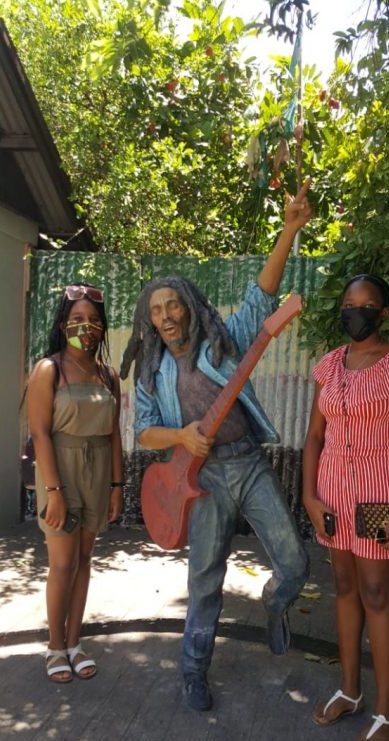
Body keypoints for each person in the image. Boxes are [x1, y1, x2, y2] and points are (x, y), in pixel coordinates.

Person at [121, 184, 313, 711]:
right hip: (200, 479)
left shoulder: (221, 343)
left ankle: (277, 606)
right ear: (150, 319)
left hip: (247, 463)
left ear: (188, 306)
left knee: (295, 564)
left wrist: (288, 230)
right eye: (156, 309)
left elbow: (261, 299)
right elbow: (143, 431)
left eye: (173, 304)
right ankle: (192, 670)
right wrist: (181, 436)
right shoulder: (152, 370)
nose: (165, 315)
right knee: (205, 580)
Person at [303, 274, 389, 741]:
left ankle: (385, 712)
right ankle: (349, 690)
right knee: (345, 588)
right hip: (333, 495)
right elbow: (315, 437)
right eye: (348, 305)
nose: (355, 312)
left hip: (381, 496)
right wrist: (310, 498)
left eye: (366, 305)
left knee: (377, 593)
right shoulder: (329, 366)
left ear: (384, 313)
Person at [27, 284, 123, 683]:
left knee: (85, 562)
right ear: (64, 323)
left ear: (103, 328)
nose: (87, 327)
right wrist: (53, 492)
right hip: (60, 471)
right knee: (62, 563)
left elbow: (115, 433)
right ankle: (53, 648)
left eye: (94, 321)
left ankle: (74, 643)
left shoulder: (108, 375)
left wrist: (118, 486)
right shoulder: (49, 369)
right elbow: (40, 433)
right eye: (78, 319)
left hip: (98, 471)